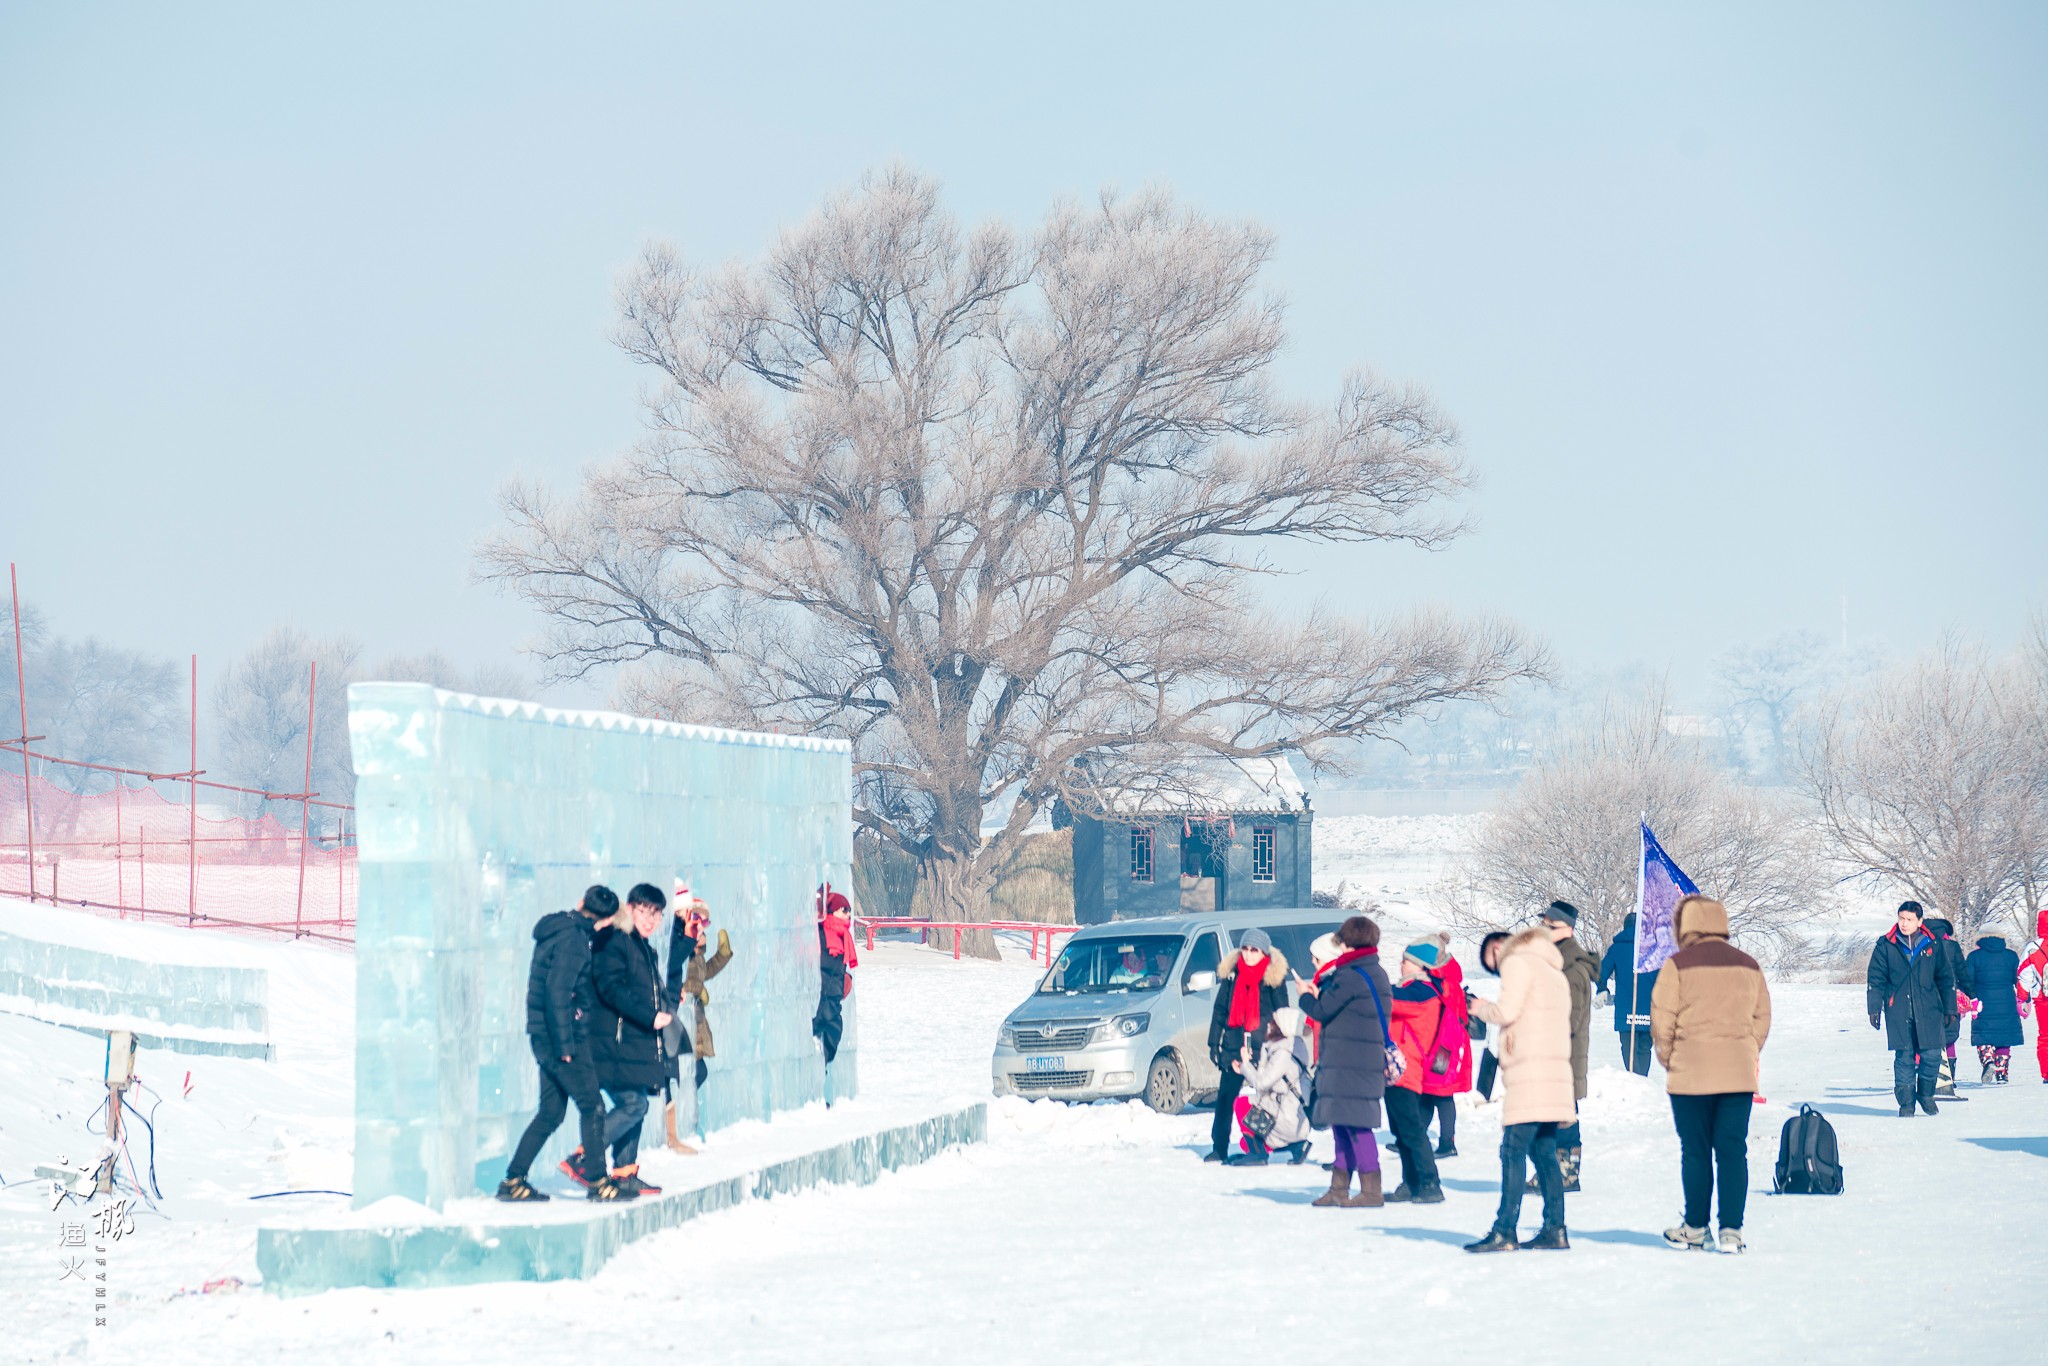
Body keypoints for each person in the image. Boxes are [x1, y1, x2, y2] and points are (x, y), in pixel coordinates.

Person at [1650, 894, 1771, 1254]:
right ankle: (1732, 1231)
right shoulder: (1749, 965)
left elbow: (1661, 1020)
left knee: (1696, 1151)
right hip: (1737, 1073)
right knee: (1733, 1150)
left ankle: (1696, 1228)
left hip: (1690, 1073)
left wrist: (1671, 1057)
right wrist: (1746, 1050)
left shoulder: (1677, 965)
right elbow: (1761, 1018)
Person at [499, 886, 630, 1202]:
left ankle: (513, 1180)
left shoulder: (559, 928)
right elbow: (557, 993)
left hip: (547, 1035)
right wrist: (566, 1048)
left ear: (581, 902)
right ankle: (599, 1183)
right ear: (605, 920)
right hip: (562, 1039)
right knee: (593, 1105)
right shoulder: (573, 941)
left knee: (551, 1113)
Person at [1463, 926, 1573, 1252]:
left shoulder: (1517, 961)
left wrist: (1480, 1007)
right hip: (1553, 1072)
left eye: (1492, 960)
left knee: (1512, 1150)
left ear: (1499, 947)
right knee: (1544, 1154)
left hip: (1530, 1073)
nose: (1496, 967)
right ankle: (1555, 1229)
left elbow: (1506, 1012)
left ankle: (1504, 1230)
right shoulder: (1553, 969)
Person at [575, 884, 678, 1197]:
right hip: (609, 1042)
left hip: (632, 1043)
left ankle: (623, 1173)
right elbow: (611, 988)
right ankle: (585, 1157)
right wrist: (649, 1016)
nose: (649, 919)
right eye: (643, 911)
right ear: (630, 909)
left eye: (656, 914)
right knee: (634, 1103)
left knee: (635, 1102)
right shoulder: (614, 941)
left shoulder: (643, 947)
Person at [1297, 915, 1391, 1207]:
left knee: (1356, 1128)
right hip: (1356, 1061)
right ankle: (1339, 1189)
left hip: (1351, 1063)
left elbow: (1323, 1010)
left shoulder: (1350, 975)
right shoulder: (1374, 972)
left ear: (1349, 944)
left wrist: (1305, 997)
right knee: (1343, 1125)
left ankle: (1371, 1191)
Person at [1205, 928, 1289, 1163]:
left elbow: (1282, 1013)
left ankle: (1270, 1144)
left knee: (1269, 1098)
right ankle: (1219, 1146)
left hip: (1263, 1048)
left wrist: (1280, 1046)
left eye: (1255, 950)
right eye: (1246, 949)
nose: (1249, 954)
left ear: (1263, 952)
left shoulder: (1273, 978)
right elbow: (1220, 1009)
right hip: (1234, 1045)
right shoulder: (1232, 975)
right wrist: (1214, 1042)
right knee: (1225, 1098)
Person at [1866, 901, 1958, 1116]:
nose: (1904, 924)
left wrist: (1950, 1009)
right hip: (1898, 1009)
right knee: (1904, 1057)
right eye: (1901, 918)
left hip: (1929, 1009)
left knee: (1932, 1055)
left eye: (1909, 919)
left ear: (1919, 921)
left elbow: (1945, 978)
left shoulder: (1933, 944)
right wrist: (1874, 1008)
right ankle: (1906, 1103)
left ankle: (1926, 1095)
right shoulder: (1886, 944)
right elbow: (1876, 978)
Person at [1382, 942, 1458, 1203]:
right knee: (1403, 1130)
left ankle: (1429, 1183)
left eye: (1406, 960)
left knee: (1412, 1130)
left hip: (1406, 1069)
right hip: (1397, 1069)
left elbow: (1388, 1001)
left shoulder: (1420, 991)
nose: (1401, 964)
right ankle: (1412, 1182)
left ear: (1421, 966)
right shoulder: (1417, 989)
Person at [666, 883, 733, 1148]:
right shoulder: (685, 947)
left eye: (705, 922)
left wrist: (723, 955)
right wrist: (694, 990)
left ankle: (685, 1121)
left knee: (697, 1072)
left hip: (695, 1021)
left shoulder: (696, 951)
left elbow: (703, 973)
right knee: (689, 1072)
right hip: (684, 1019)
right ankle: (679, 1123)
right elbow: (685, 979)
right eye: (699, 920)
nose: (703, 927)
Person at [1541, 901, 1597, 1191]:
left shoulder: (1571, 968)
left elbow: (1568, 1022)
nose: (1546, 929)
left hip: (1563, 1057)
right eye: (1544, 924)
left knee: (1562, 1118)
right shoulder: (1556, 961)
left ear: (1569, 929)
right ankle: (1555, 1172)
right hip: (1553, 1055)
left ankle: (1565, 1174)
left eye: (1552, 925)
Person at [1230, 1006, 1314, 1165]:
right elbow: (1268, 1079)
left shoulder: (1283, 1053)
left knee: (1241, 1104)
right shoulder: (1295, 1046)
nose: (1269, 1025)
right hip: (1297, 1116)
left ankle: (1257, 1154)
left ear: (1282, 1027)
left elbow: (1261, 1084)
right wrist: (1245, 1067)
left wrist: (1246, 1064)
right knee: (1244, 1141)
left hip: (1288, 1117)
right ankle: (1297, 1146)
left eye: (1274, 1022)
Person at [1597, 911, 1660, 1076]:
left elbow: (1600, 973)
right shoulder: (1655, 949)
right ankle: (1642, 1082)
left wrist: (1602, 989)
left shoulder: (1616, 948)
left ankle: (1634, 1082)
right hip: (1649, 1008)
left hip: (1626, 1009)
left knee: (1628, 1048)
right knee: (1644, 1048)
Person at [1965, 930, 2023, 1085]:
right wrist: (2025, 998)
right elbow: (2018, 979)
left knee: (1984, 1034)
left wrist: (1969, 998)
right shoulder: (2011, 956)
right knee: (2004, 1038)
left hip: (1983, 1003)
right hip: (2007, 1002)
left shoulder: (1974, 957)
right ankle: (2002, 1073)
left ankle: (1988, 1062)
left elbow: (1967, 980)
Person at [1925, 917, 1974, 1097]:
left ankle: (1926, 1077)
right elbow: (1962, 972)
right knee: (1949, 1037)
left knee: (1925, 1037)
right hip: (1949, 996)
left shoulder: (1921, 944)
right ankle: (1948, 1077)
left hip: (1926, 996)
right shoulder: (1952, 946)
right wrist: (1972, 995)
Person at [814, 888, 857, 1066]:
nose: (848, 914)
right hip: (822, 996)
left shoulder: (842, 935)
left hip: (832, 996)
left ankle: (820, 1066)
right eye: (844, 910)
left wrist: (844, 979)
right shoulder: (822, 932)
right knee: (825, 1034)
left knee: (832, 1035)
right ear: (832, 912)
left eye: (849, 910)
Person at [2021, 909, 2048, 1082]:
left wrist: (2023, 997)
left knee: (2045, 1036)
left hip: (2042, 997)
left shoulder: (2033, 947)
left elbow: (2024, 974)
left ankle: (2046, 1072)